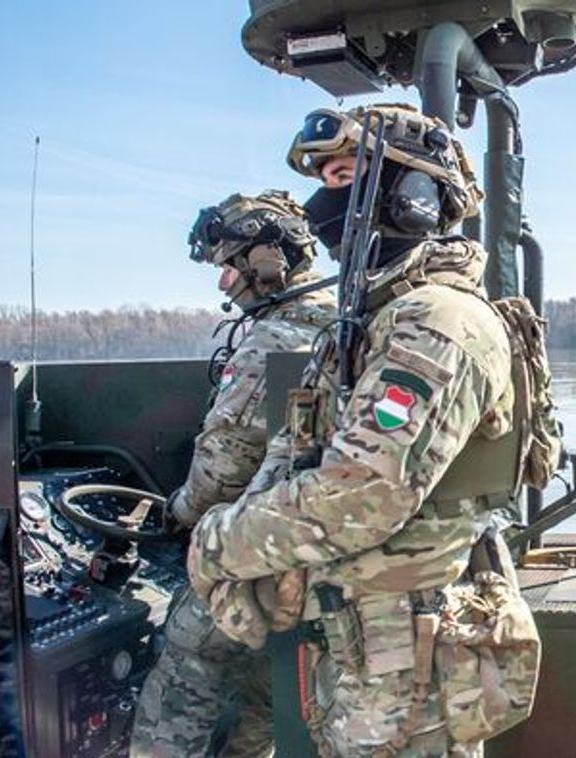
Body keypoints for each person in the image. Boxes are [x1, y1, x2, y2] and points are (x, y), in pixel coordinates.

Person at [187, 103, 552, 756]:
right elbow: (296, 456)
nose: (322, 206)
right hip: (368, 651)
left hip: (413, 664)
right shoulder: (368, 325)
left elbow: (362, 493)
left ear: (413, 196)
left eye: (343, 177)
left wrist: (215, 545)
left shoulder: (438, 322)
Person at [131, 191, 335, 757]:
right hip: (321, 558)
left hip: (260, 555)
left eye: (228, 267)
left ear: (267, 260)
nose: (224, 283)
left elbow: (222, 473)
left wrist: (175, 513)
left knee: (184, 668)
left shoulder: (273, 340)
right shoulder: (343, 325)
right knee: (262, 700)